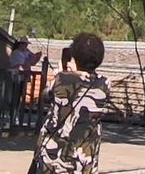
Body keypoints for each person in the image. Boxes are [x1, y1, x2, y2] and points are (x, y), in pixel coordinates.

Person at [33, 33, 110, 174]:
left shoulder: (61, 79)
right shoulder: (104, 84)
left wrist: (61, 73)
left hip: (54, 157)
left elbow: (46, 95)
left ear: (75, 56)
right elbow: (84, 81)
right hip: (84, 160)